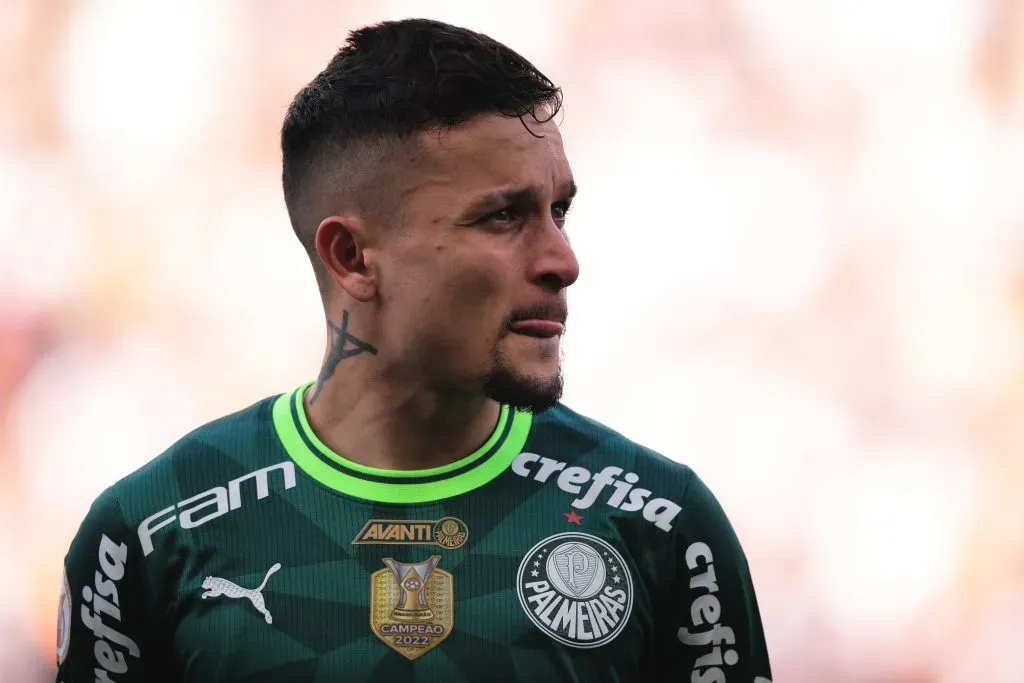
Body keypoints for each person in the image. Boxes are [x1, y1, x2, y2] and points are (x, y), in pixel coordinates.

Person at [56, 18, 773, 683]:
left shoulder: (661, 522)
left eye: (559, 210)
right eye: (502, 216)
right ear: (353, 256)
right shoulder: (148, 533)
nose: (563, 259)